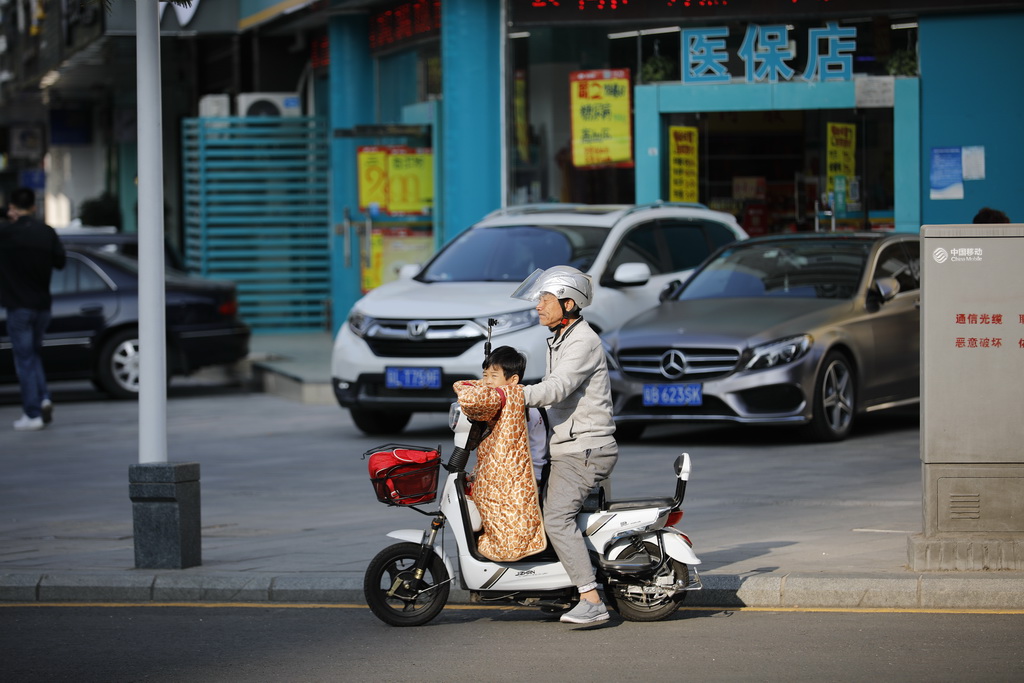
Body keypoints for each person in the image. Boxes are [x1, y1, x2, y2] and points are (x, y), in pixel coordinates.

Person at [512, 265, 618, 624]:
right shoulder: (560, 338)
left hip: (584, 450)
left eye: (545, 299)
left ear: (568, 304)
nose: (538, 306)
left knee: (556, 519)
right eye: (539, 299)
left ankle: (591, 599)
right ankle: (562, 588)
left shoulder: (582, 341)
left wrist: (507, 394)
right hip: (570, 447)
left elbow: (555, 389)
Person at [453, 346, 547, 562]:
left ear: (513, 380)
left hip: (526, 477)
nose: (487, 381)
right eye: (484, 375)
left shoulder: (511, 402)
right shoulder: (510, 400)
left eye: (494, 376)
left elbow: (471, 399)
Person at [0, 187, 66, 431]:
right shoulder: (46, 232)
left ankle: (33, 413)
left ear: (12, 208)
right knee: (34, 355)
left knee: (24, 360)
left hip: (19, 307)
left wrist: (6, 216)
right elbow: (60, 262)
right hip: (42, 306)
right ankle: (43, 398)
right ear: (34, 207)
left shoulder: (7, 233)